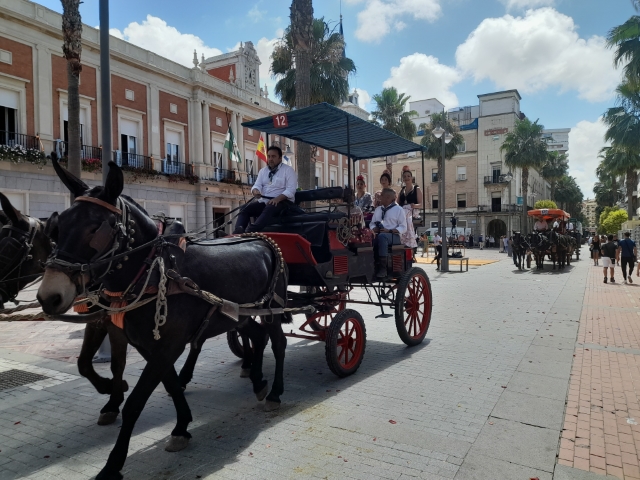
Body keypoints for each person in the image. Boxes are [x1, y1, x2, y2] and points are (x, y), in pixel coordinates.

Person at [233, 146, 297, 234]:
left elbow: (291, 190)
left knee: (270, 207)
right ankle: (237, 232)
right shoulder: (263, 171)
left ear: (280, 158)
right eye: (269, 156)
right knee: (245, 208)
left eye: (273, 156)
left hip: (283, 203)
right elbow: (257, 185)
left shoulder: (288, 170)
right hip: (265, 202)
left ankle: (251, 231)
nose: (270, 159)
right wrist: (256, 191)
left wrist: (277, 199)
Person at [371, 188, 407, 278]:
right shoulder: (378, 209)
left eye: (381, 196)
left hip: (393, 236)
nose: (380, 198)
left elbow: (403, 227)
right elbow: (372, 223)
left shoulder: (398, 209)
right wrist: (374, 228)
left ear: (388, 198)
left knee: (382, 237)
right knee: (368, 238)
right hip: (379, 234)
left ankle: (383, 269)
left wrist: (389, 231)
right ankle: (371, 265)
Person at [398, 166, 420, 249]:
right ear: (403, 179)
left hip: (413, 210)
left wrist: (414, 205)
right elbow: (398, 203)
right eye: (404, 176)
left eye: (408, 176)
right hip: (403, 210)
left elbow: (421, 204)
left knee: (405, 214)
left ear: (412, 178)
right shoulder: (402, 190)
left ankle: (408, 238)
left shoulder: (416, 189)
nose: (406, 178)